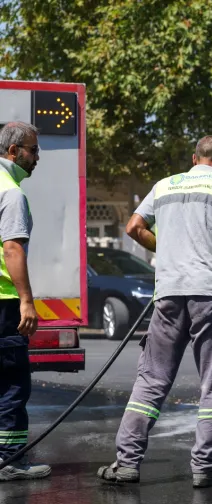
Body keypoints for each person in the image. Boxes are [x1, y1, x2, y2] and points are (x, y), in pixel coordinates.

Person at [97, 136, 212, 487]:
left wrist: (165, 247)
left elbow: (133, 227)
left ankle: (127, 463)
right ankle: (204, 468)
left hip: (167, 294)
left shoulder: (164, 186)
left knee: (152, 379)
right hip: (207, 294)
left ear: (194, 158)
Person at [0, 122, 50, 481]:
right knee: (12, 381)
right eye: (33, 150)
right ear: (13, 151)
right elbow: (12, 248)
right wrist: (26, 301)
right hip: (3, 303)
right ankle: (10, 460)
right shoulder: (11, 193)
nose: (37, 158)